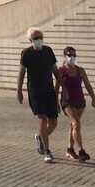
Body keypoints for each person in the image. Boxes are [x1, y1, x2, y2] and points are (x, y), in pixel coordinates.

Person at [17, 27, 60, 162]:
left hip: (49, 90)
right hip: (35, 91)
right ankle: (47, 151)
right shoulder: (26, 53)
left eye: (40, 37)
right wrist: (19, 90)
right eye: (35, 38)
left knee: (53, 122)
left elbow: (55, 69)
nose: (38, 40)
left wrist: (62, 85)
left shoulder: (48, 51)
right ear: (30, 40)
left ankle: (40, 137)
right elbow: (22, 72)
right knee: (42, 119)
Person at [57, 45, 95, 162]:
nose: (72, 57)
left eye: (74, 55)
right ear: (65, 56)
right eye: (70, 55)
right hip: (67, 101)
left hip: (80, 101)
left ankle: (70, 149)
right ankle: (81, 151)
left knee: (73, 125)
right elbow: (56, 88)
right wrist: (55, 102)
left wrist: (93, 99)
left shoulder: (80, 70)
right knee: (76, 123)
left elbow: (88, 85)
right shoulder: (61, 71)